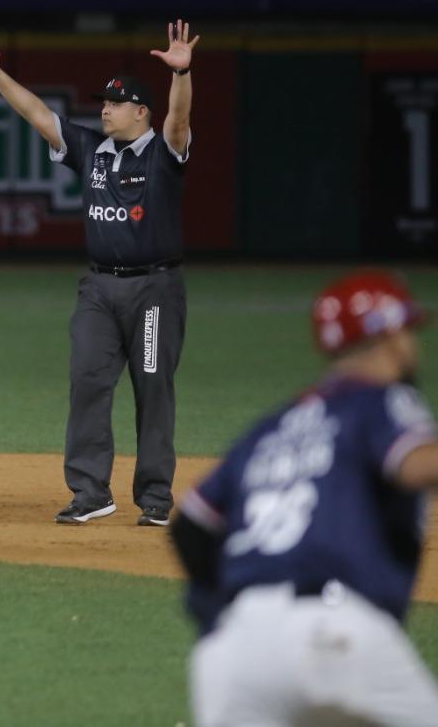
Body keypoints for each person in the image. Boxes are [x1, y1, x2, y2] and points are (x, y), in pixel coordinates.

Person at [172, 271, 438, 726]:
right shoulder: (380, 401)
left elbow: (191, 527)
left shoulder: (271, 428)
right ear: (391, 336)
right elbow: (416, 465)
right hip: (336, 634)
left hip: (233, 652)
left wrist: (219, 614)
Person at [0, 21, 199, 526]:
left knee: (153, 386)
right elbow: (37, 114)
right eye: (104, 102)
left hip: (154, 288)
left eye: (116, 103)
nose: (105, 109)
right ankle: (91, 492)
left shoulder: (163, 153)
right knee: (88, 381)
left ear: (141, 112)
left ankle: (155, 497)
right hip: (98, 288)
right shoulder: (93, 151)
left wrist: (182, 75)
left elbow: (179, 122)